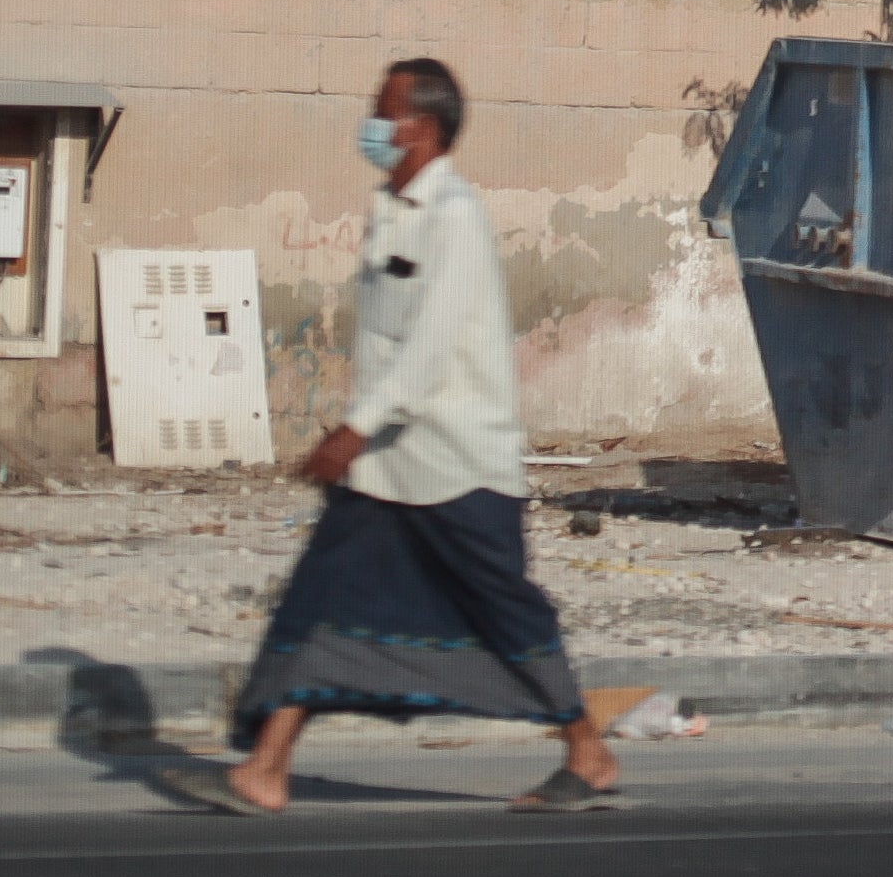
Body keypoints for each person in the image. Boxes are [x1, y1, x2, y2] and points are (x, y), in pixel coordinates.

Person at [161, 58, 622, 816]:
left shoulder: (455, 217)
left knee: (503, 608)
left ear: (424, 127)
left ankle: (589, 750)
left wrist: (351, 430)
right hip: (386, 466)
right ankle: (265, 767)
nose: (371, 127)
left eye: (385, 114)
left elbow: (431, 348)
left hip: (457, 461)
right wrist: (361, 437)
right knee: (318, 597)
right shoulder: (392, 207)